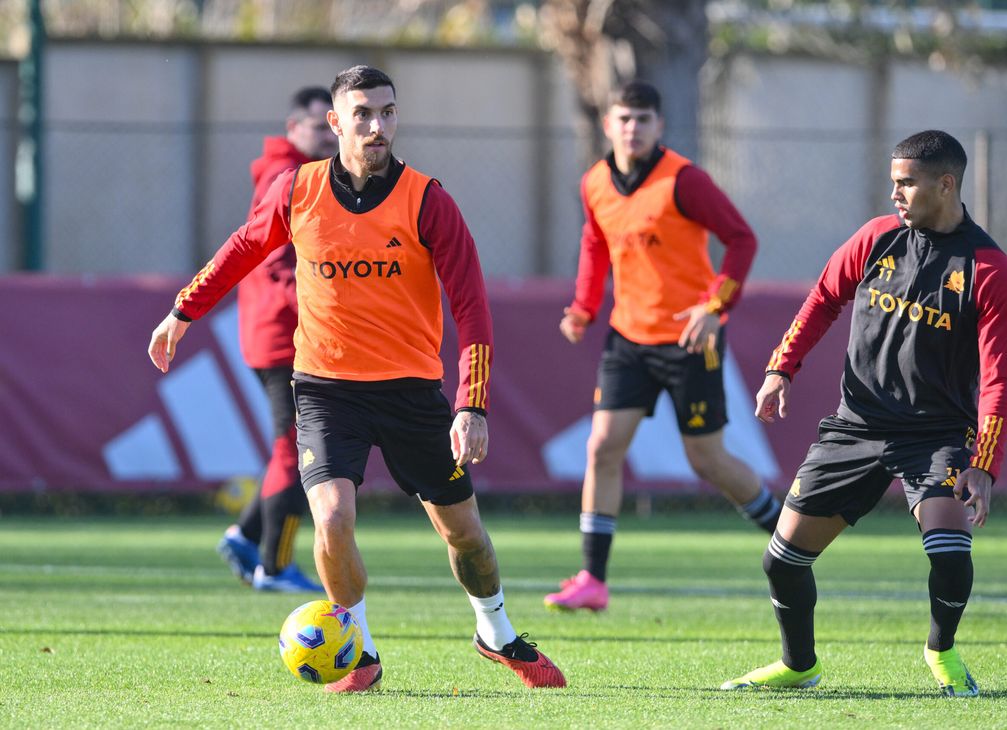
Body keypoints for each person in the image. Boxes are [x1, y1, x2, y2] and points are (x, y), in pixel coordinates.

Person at [149, 65, 565, 692]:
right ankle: (361, 653)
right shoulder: (299, 188)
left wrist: (471, 405)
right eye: (363, 114)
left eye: (388, 113)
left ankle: (495, 631)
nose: (377, 126)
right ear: (335, 123)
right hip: (324, 389)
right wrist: (183, 311)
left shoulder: (429, 200)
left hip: (411, 393)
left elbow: (472, 308)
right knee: (332, 519)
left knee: (467, 537)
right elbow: (242, 248)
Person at [720, 130, 1007, 697]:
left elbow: (999, 378)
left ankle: (942, 650)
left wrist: (984, 462)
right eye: (893, 183)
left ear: (946, 184)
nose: (895, 195)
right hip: (855, 428)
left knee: (951, 555)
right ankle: (799, 666)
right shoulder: (877, 238)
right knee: (782, 562)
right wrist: (780, 368)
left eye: (906, 183)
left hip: (936, 437)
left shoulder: (988, 270)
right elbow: (823, 299)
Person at [544, 81, 781, 613]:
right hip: (628, 338)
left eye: (643, 119)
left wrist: (715, 308)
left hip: (689, 340)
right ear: (608, 124)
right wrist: (583, 307)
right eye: (624, 118)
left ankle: (790, 536)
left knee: (708, 459)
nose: (633, 128)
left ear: (659, 125)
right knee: (603, 447)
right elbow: (594, 242)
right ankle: (593, 579)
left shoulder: (684, 180)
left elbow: (742, 239)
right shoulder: (595, 183)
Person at [216, 86, 338, 593]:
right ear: (292, 129)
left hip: (278, 334)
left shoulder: (301, 173)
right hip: (283, 337)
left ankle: (244, 538)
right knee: (298, 452)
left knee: (289, 448)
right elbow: (280, 264)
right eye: (316, 126)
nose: (328, 138)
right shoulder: (286, 176)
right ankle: (275, 564)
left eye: (331, 126)